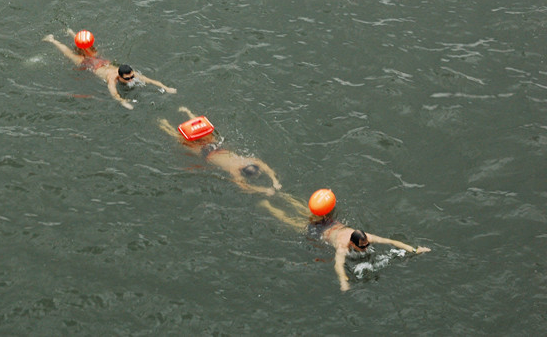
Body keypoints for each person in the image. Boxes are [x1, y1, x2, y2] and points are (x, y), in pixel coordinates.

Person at [259, 195, 431, 291]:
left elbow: (391, 241)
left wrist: (414, 249)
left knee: (307, 213)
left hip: (332, 224)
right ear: (353, 244)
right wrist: (343, 282)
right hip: (319, 232)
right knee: (292, 220)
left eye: (366, 245)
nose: (366, 247)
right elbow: (339, 265)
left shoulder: (366, 237)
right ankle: (269, 205)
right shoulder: (342, 247)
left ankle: (280, 198)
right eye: (362, 247)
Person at [158, 107, 282, 196]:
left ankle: (187, 112)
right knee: (182, 139)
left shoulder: (248, 160)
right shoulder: (234, 170)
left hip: (217, 147)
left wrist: (275, 181)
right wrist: (264, 190)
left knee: (202, 129)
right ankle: (164, 125)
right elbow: (244, 187)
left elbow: (265, 167)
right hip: (206, 154)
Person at [43, 29, 177, 110]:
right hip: (92, 66)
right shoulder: (112, 78)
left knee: (87, 47)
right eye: (128, 78)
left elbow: (151, 81)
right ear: (120, 76)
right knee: (70, 54)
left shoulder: (132, 74)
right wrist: (123, 102)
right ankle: (52, 40)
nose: (131, 79)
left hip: (102, 61)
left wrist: (166, 88)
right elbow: (113, 93)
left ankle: (72, 33)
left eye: (131, 77)